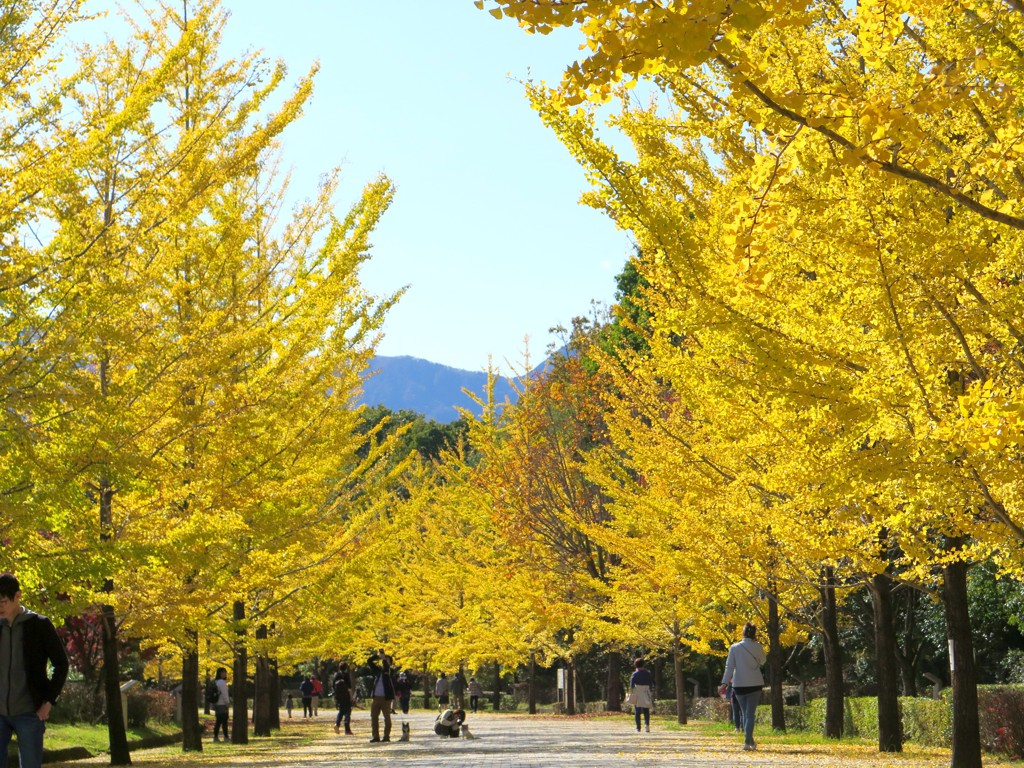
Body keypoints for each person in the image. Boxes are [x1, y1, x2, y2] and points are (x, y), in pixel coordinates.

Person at [0, 573, 70, 768]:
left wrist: (48, 702)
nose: (0, 607)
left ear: (17, 596)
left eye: (3, 601)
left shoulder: (39, 625)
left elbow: (61, 664)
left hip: (29, 713)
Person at [719, 622, 767, 751]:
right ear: (754, 634)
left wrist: (724, 683)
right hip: (755, 683)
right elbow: (763, 661)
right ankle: (748, 741)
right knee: (750, 714)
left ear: (743, 633)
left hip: (739, 684)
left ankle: (749, 741)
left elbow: (729, 667)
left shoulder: (734, 647)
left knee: (745, 713)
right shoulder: (758, 646)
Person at [366, 648, 396, 743]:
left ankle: (386, 736)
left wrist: (384, 659)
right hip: (376, 697)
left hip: (386, 698)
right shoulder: (378, 671)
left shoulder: (390, 671)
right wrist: (377, 657)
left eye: (387, 660)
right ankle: (376, 736)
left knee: (387, 718)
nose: (384, 661)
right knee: (374, 718)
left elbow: (386, 667)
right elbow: (369, 661)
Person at [628, 658, 655, 733]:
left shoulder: (635, 674)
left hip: (638, 692)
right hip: (646, 691)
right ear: (643, 664)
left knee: (637, 710)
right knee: (646, 709)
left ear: (635, 665)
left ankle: (638, 728)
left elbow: (632, 685)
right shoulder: (648, 673)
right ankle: (647, 725)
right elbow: (650, 683)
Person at [332, 664, 353, 735]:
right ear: (346, 668)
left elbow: (333, 687)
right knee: (347, 712)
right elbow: (349, 688)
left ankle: (337, 724)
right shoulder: (346, 675)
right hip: (346, 696)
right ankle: (347, 729)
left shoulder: (336, 675)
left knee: (341, 711)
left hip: (339, 697)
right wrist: (351, 697)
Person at [212, 667, 230, 742]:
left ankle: (216, 736)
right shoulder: (222, 682)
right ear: (219, 674)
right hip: (222, 704)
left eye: (224, 672)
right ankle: (225, 737)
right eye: (222, 672)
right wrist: (227, 703)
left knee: (218, 721)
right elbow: (225, 694)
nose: (224, 674)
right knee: (224, 721)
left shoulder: (216, 682)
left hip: (217, 704)